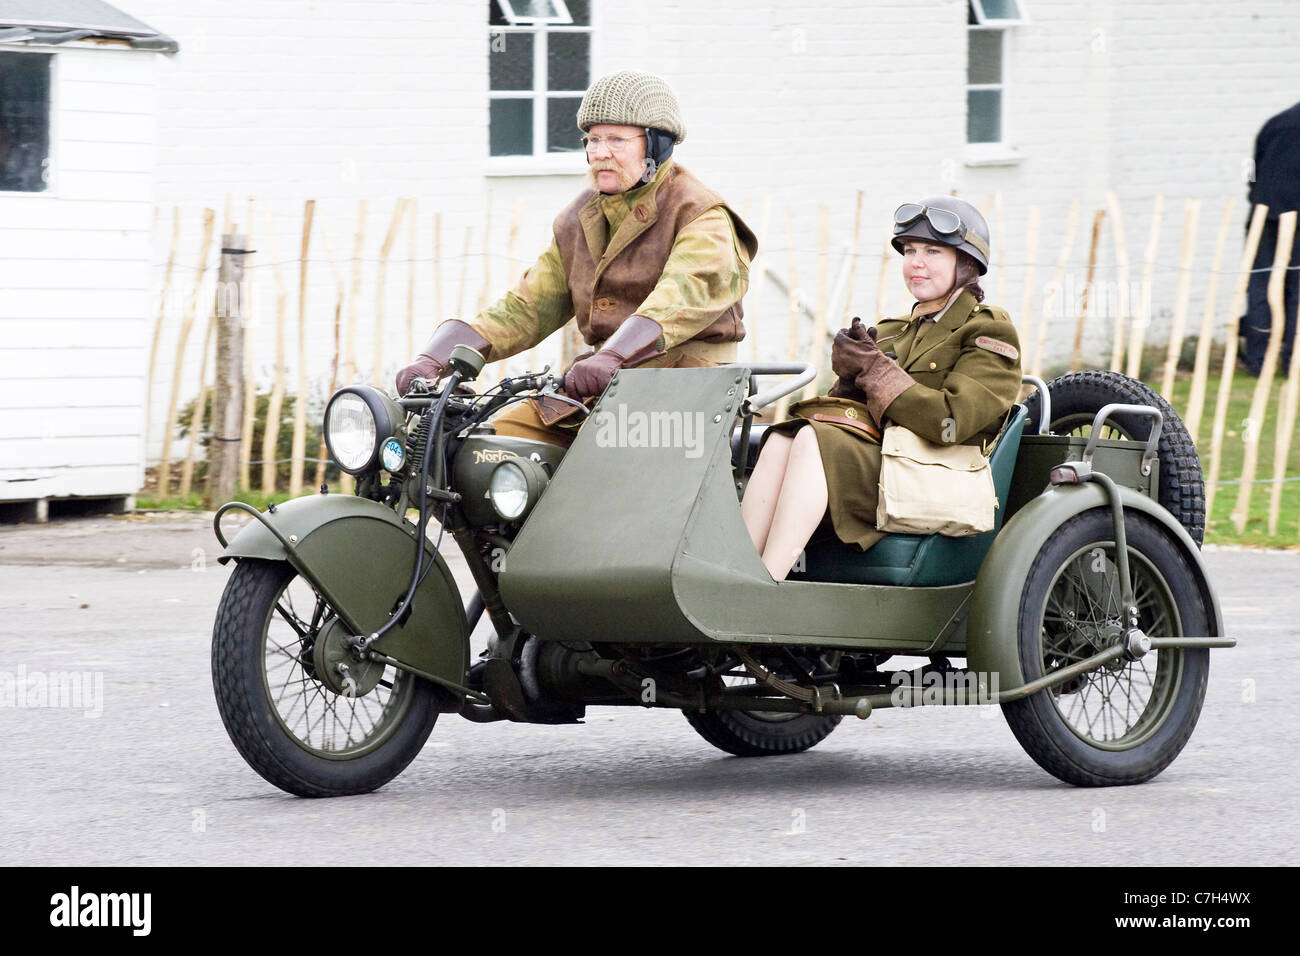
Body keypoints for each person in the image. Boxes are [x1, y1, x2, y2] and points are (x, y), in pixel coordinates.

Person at [396, 69, 757, 446]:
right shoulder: (580, 219)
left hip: (688, 392)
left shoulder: (701, 214)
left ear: (657, 145)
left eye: (616, 139)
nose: (600, 153)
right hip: (599, 387)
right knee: (484, 447)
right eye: (593, 139)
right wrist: (434, 360)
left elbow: (682, 294)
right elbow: (526, 307)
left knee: (594, 481)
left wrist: (613, 355)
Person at [741, 197, 1022, 581]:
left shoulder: (987, 329)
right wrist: (847, 382)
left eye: (933, 251)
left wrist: (876, 372)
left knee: (812, 440)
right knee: (782, 438)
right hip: (882, 462)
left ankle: (764, 584)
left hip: (933, 473)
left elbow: (951, 423)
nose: (916, 262)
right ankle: (739, 574)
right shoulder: (892, 330)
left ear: (967, 264)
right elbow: (852, 417)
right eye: (909, 251)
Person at [1241, 100, 1300, 376]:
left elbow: (1251, 169)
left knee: (1260, 286)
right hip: (1296, 215)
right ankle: (1292, 359)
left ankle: (1258, 359)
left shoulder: (1275, 122)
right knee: (1296, 291)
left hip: (1263, 215)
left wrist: (1256, 196)